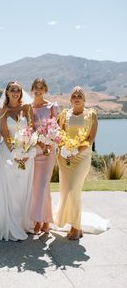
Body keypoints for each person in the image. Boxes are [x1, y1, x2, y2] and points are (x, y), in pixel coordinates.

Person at [0, 81, 34, 241]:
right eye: (12, 90)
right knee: (10, 186)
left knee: (23, 186)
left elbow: (31, 129)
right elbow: (5, 133)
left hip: (26, 152)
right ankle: (7, 223)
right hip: (8, 153)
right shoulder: (3, 110)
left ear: (21, 93)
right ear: (7, 92)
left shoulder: (27, 108)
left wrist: (26, 150)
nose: (15, 92)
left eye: (18, 90)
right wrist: (15, 151)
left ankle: (23, 223)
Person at [55, 86, 98, 240]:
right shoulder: (64, 114)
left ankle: (77, 227)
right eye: (74, 96)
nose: (77, 98)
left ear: (84, 99)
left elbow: (90, 138)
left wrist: (76, 151)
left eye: (80, 95)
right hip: (65, 158)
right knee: (66, 191)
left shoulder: (91, 114)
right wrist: (65, 151)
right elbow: (58, 135)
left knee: (74, 189)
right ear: (70, 99)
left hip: (82, 157)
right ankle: (71, 223)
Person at [30, 78, 58, 234]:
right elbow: (28, 128)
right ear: (32, 90)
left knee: (43, 185)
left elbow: (56, 128)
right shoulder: (29, 108)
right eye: (36, 87)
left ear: (45, 90)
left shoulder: (52, 106)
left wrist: (48, 142)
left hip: (48, 150)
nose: (38, 90)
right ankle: (38, 218)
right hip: (34, 150)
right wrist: (37, 142)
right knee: (35, 187)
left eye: (41, 87)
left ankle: (43, 220)